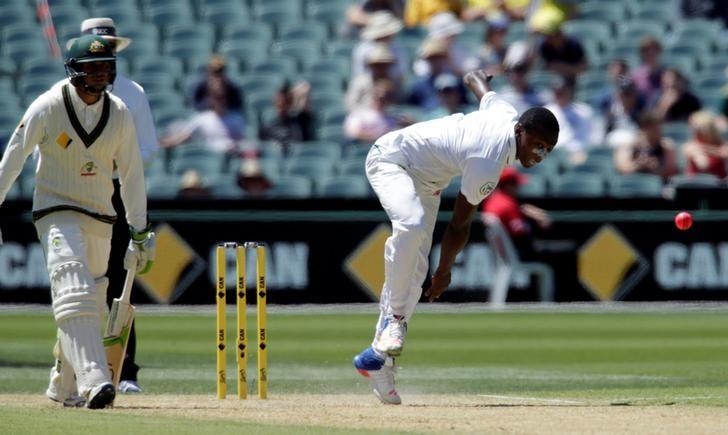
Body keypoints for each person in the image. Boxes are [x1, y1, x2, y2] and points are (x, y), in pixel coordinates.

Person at [353, 69, 559, 405]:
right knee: (411, 224)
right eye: (537, 145)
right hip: (392, 160)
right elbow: (460, 224)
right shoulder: (488, 160)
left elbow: (481, 88)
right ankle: (393, 321)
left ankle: (379, 360)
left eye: (547, 149)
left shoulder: (506, 114)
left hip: (429, 184)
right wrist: (445, 270)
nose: (539, 155)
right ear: (520, 132)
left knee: (415, 272)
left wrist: (474, 76)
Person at [0, 35, 155, 409]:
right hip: (55, 207)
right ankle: (94, 380)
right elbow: (14, 157)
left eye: (105, 68)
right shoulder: (48, 106)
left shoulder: (118, 113)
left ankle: (63, 384)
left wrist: (139, 231)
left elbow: (132, 175)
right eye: (93, 68)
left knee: (93, 301)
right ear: (74, 71)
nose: (101, 74)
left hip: (101, 214)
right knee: (72, 282)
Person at [57, 17, 159, 395]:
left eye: (108, 50)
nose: (102, 59)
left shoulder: (132, 93)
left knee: (121, 281)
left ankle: (124, 370)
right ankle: (68, 370)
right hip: (74, 192)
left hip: (116, 191)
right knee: (76, 283)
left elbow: (146, 149)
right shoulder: (63, 94)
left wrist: (112, 160)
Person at [481, 167, 552, 259]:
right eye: (516, 185)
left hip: (501, 254)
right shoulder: (508, 204)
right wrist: (538, 219)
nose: (519, 187)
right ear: (508, 186)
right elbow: (520, 232)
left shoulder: (491, 201)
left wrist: (523, 210)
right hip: (515, 254)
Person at [161, 81, 245, 154]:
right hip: (210, 155)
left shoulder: (236, 119)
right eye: (216, 97)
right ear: (211, 99)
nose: (220, 101)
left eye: (222, 97)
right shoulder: (202, 119)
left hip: (229, 156)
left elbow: (241, 142)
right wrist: (166, 143)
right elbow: (183, 137)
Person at [544, 75, 604, 165]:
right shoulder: (544, 113)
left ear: (569, 90)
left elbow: (596, 135)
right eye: (556, 91)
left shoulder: (584, 111)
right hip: (554, 154)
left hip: (580, 153)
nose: (559, 94)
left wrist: (587, 151)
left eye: (562, 90)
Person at [614, 111, 679, 180]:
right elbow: (622, 168)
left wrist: (655, 168)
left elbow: (671, 171)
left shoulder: (666, 146)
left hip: (658, 184)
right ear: (644, 128)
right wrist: (639, 166)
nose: (659, 130)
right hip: (632, 183)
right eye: (654, 127)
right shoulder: (629, 145)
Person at [259, 81, 316, 154]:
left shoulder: (300, 122)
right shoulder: (268, 128)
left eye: (285, 102)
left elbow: (305, 90)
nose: (282, 105)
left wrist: (295, 96)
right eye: (279, 102)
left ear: (290, 102)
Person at [682, 110, 728, 179]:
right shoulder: (690, 145)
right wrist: (715, 151)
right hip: (694, 185)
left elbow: (724, 153)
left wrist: (706, 149)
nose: (695, 130)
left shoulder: (722, 144)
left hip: (719, 186)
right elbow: (703, 164)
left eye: (698, 128)